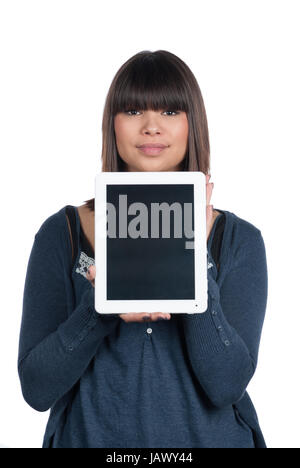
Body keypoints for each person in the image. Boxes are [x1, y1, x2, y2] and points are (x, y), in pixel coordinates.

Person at [17, 50, 268, 448]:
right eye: (133, 111)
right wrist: (98, 309)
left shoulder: (238, 239)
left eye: (170, 112)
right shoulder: (63, 232)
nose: (151, 127)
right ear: (112, 126)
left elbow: (226, 385)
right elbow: (36, 388)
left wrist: (194, 257)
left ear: (192, 125)